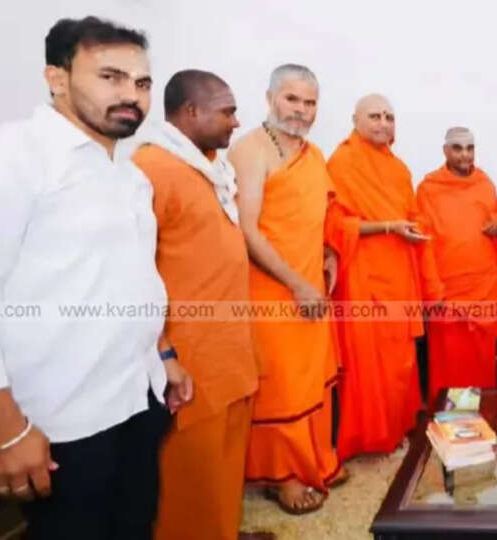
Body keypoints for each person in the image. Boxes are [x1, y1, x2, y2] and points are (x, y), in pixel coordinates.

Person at [0, 16, 184, 538]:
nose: (131, 96)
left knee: (134, 526)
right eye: (110, 77)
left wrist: (162, 358)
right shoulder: (9, 156)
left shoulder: (128, 175)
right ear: (57, 78)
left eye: (141, 83)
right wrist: (0, 428)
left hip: (136, 403)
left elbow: (132, 283)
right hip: (59, 423)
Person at [131, 70, 272, 539]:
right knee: (191, 472)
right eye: (227, 111)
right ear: (191, 112)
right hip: (191, 359)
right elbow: (135, 271)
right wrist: (165, 352)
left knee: (225, 464)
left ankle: (224, 530)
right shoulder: (152, 168)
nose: (236, 122)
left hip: (229, 349)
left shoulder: (208, 165)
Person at [229, 64, 344, 515]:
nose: (301, 110)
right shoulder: (251, 150)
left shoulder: (312, 155)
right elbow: (248, 229)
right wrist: (296, 283)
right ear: (270, 98)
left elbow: (314, 218)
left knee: (312, 378)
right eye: (292, 99)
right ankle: (282, 475)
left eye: (310, 102)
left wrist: (328, 255)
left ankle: (315, 460)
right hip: (273, 290)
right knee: (281, 384)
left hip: (311, 286)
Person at [325, 93, 443, 460]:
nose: (383, 123)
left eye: (389, 117)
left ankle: (396, 427)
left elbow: (410, 213)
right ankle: (368, 437)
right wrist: (389, 226)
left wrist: (414, 226)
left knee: (401, 361)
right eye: (374, 116)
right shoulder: (342, 161)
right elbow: (332, 223)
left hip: (399, 276)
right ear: (355, 119)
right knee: (367, 365)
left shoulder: (398, 168)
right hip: (362, 276)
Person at [415, 127, 497, 406]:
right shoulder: (429, 189)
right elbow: (422, 241)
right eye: (457, 148)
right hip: (447, 292)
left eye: (470, 148)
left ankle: (481, 418)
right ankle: (446, 421)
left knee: (481, 366)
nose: (465, 155)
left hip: (484, 288)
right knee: (449, 363)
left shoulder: (484, 183)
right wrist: (432, 289)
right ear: (445, 151)